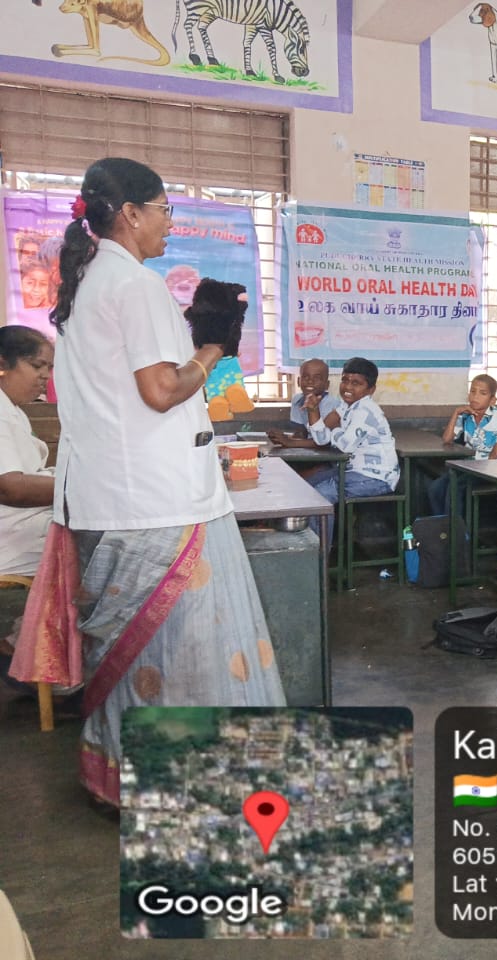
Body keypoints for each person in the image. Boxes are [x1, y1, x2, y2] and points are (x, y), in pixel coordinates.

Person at [10, 157, 284, 807]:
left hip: (105, 501)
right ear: (130, 214)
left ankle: (118, 778)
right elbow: (161, 390)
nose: (170, 222)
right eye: (164, 210)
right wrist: (212, 346)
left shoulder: (85, 286)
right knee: (183, 651)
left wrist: (194, 340)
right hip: (155, 508)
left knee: (129, 657)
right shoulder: (134, 285)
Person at [305, 357, 400, 544]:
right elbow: (321, 439)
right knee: (308, 484)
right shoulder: (346, 406)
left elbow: (344, 445)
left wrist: (334, 430)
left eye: (356, 383)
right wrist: (313, 411)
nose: (348, 387)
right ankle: (310, 547)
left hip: (376, 477)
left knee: (320, 495)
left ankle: (320, 555)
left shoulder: (366, 410)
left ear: (370, 390)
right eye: (345, 380)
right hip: (355, 472)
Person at [0, 326, 55, 578]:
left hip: (22, 525)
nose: (45, 376)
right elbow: (9, 487)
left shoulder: (15, 410)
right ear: (3, 365)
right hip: (10, 538)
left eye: (49, 368)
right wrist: (78, 488)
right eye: (36, 366)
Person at [426, 373, 497, 515]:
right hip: (468, 466)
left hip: (491, 469)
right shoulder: (465, 415)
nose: (475, 396)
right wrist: (456, 413)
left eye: (482, 393)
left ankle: (456, 528)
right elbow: (447, 439)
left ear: (492, 400)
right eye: (473, 391)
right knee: (435, 488)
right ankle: (443, 525)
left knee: (455, 487)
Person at [266, 358, 340, 450]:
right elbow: (302, 434)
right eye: (305, 377)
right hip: (311, 452)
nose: (310, 381)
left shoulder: (334, 405)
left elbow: (323, 441)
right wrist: (281, 438)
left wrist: (289, 442)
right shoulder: (297, 400)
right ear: (298, 381)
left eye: (317, 378)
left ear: (327, 385)